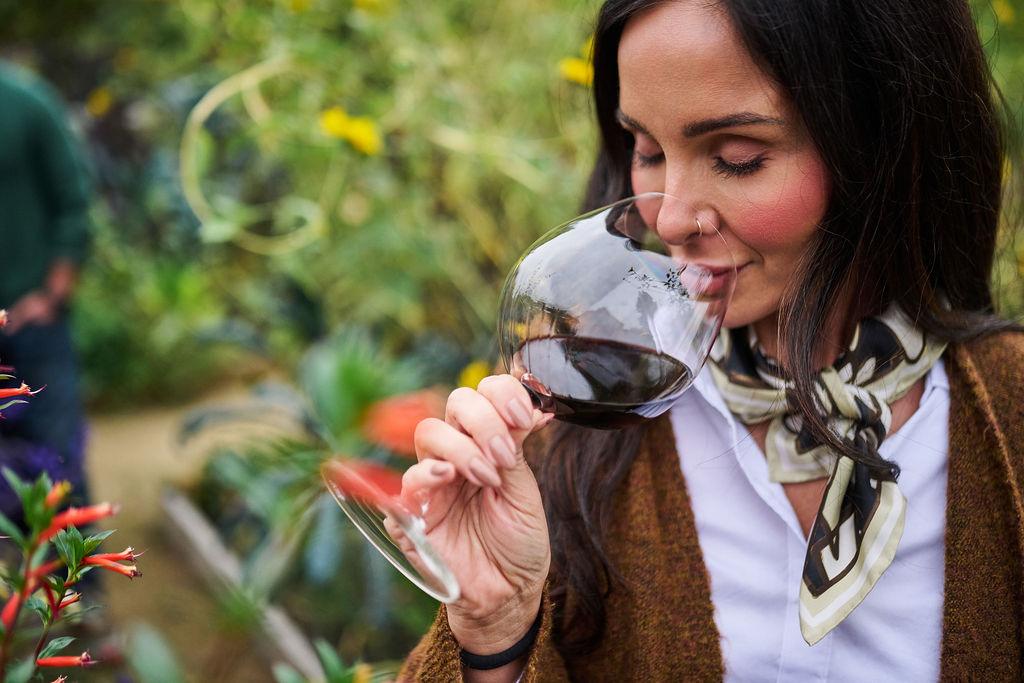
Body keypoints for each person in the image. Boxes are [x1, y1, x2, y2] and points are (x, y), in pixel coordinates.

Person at [395, 0, 1023, 680]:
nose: (673, 216)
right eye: (648, 151)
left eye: (736, 158)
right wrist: (495, 632)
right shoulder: (583, 428)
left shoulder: (1007, 415)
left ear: (880, 145)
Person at [0, 62, 93, 521]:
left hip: (32, 320)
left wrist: (50, 297)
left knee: (57, 453)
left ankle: (75, 586)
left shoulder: (27, 102)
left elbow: (73, 204)